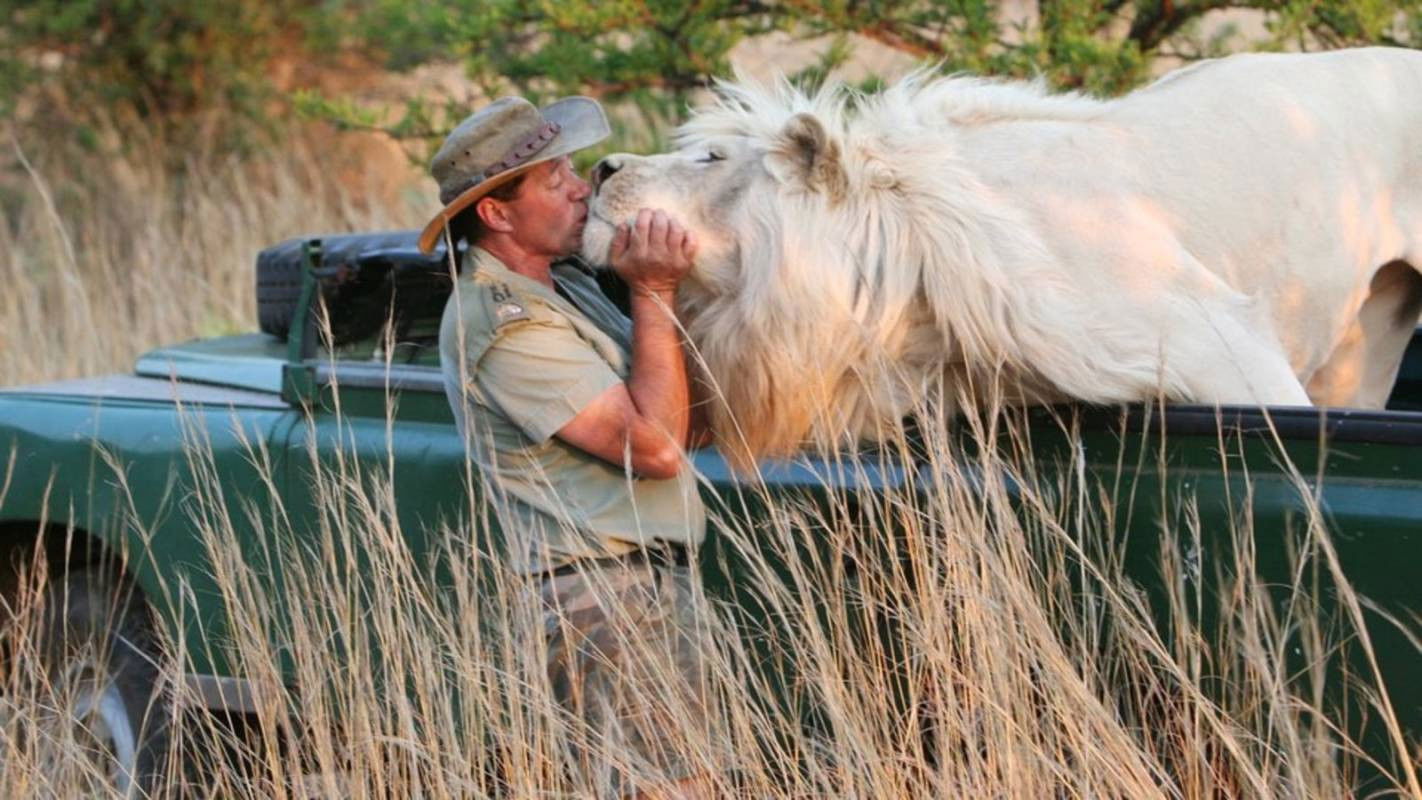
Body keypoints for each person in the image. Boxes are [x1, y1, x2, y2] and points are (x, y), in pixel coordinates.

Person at [418, 96, 718, 799]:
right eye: (555, 180)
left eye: (574, 170)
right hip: (602, 594)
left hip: (642, 581)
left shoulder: (571, 286)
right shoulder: (503, 321)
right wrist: (654, 290)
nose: (583, 187)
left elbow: (686, 416)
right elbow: (656, 447)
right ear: (496, 212)